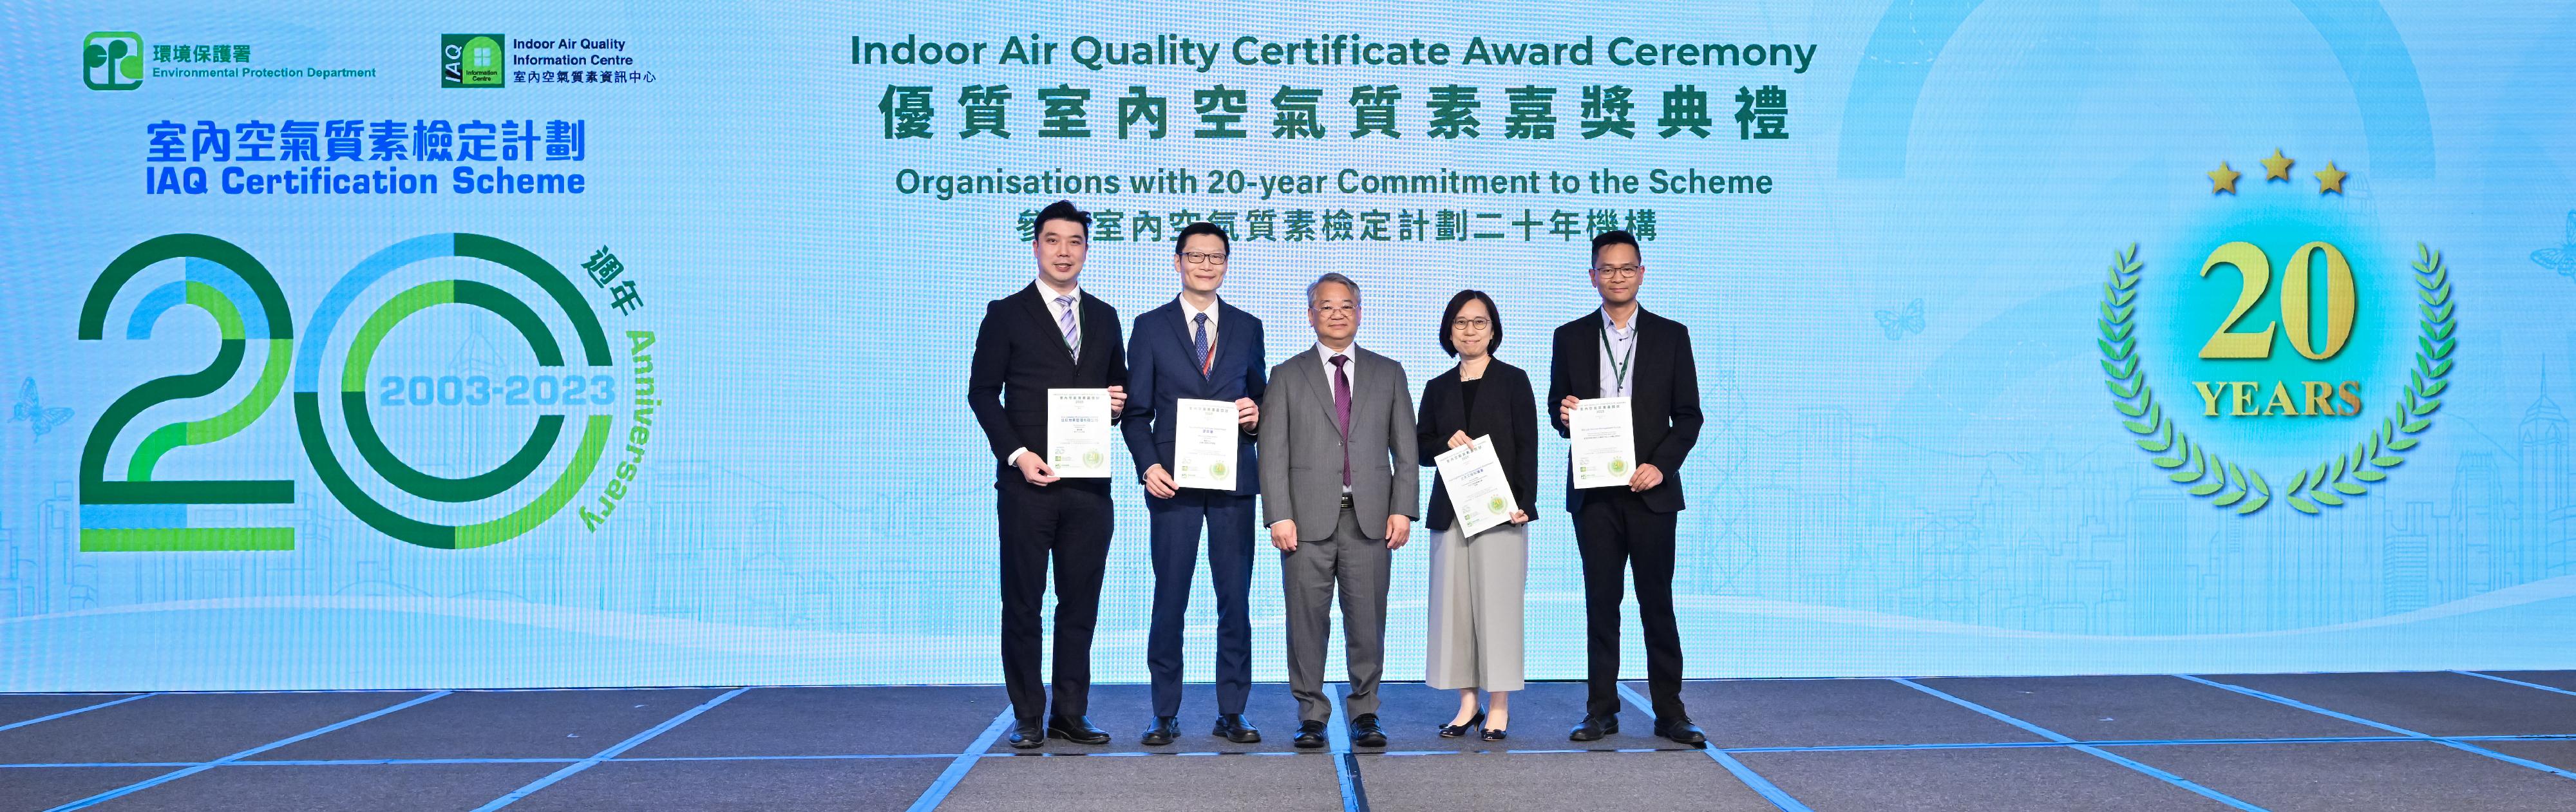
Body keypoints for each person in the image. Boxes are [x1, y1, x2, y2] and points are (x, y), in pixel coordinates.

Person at [967, 200, 1128, 749]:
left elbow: (1120, 392)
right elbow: (982, 393)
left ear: (1087, 249)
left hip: (1088, 488)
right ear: (1035, 246)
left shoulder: (1105, 317)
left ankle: (1070, 711)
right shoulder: (1006, 313)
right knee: (1024, 602)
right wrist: (1015, 453)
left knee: (1080, 604)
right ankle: (1028, 713)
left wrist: (1115, 401)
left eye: (1075, 241)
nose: (1064, 251)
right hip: (1026, 486)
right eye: (1053, 240)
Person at [1548, 230, 1706, 746]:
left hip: (1651, 492)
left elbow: (1688, 416)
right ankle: (1601, 710)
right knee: (1601, 602)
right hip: (1595, 494)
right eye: (1606, 269)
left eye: (1626, 267)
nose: (1616, 276)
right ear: (1592, 275)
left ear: (1642, 272)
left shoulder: (1671, 335)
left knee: (1656, 600)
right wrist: (1565, 414)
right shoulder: (1568, 336)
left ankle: (1671, 711)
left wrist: (1661, 466)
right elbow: (1556, 409)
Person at [1258, 272, 1418, 750]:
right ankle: (1311, 713)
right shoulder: (1287, 374)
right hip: (1304, 521)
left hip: (1370, 518)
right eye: (1326, 306)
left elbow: (1405, 451)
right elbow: (1272, 453)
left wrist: (1403, 509)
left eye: (1346, 305)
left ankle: (1365, 711)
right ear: (1311, 315)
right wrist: (1278, 514)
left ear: (1360, 313)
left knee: (1368, 619)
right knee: (1306, 619)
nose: (1337, 313)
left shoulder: (1389, 372)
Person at [1121, 222, 1266, 746]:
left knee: (1235, 599)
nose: (1206, 265)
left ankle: (1233, 711)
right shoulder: (1150, 326)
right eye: (1196, 256)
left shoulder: (1248, 327)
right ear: (1176, 261)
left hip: (1233, 481)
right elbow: (1136, 414)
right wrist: (1147, 465)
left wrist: (1255, 415)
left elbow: (1262, 401)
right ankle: (1164, 712)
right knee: (1170, 597)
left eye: (1216, 257)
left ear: (1227, 264)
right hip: (1172, 483)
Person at [1416, 290, 1537, 742]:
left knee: (1499, 611)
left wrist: (1526, 500)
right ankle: (1467, 703)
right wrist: (1442, 440)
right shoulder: (1437, 387)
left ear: (1494, 329)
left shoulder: (1514, 380)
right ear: (1449, 330)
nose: (1470, 330)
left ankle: (1499, 706)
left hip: (1502, 511)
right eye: (1461, 323)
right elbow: (1420, 446)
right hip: (1451, 512)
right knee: (1455, 611)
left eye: (1479, 322)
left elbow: (1528, 445)